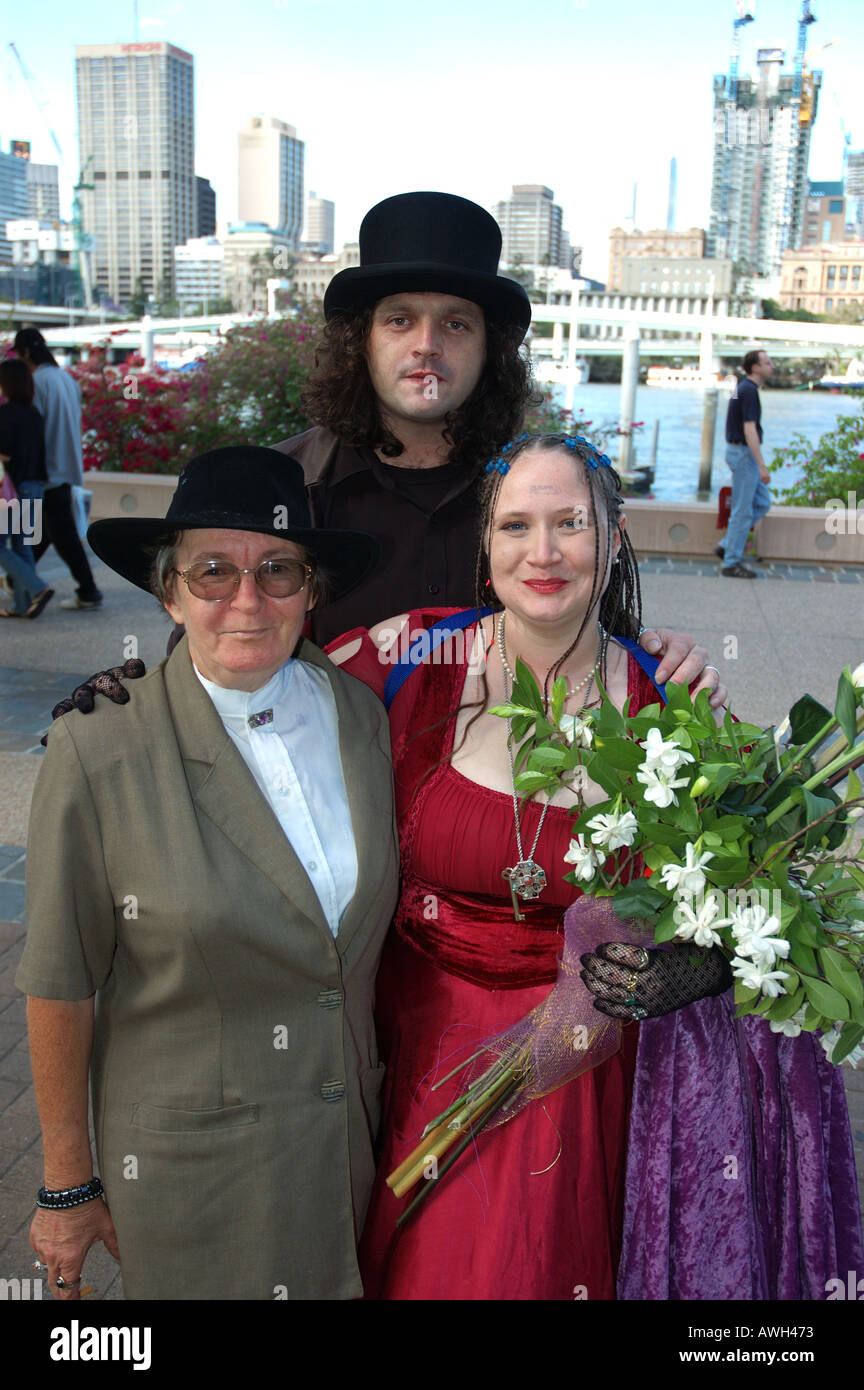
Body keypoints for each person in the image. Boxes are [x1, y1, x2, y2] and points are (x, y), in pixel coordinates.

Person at [326, 433, 862, 1300]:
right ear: (486, 546)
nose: (542, 553)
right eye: (515, 526)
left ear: (613, 541)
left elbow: (753, 899)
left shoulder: (675, 705)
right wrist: (133, 699)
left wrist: (694, 966)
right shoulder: (404, 658)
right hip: (413, 1057)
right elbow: (257, 684)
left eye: (570, 523)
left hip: (588, 1071)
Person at [15, 446, 399, 1301]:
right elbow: (58, 983)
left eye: (278, 571)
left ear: (313, 589)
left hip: (349, 1162)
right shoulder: (102, 745)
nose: (247, 600)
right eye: (213, 572)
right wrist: (67, 1185)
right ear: (170, 593)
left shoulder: (359, 718)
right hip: (196, 1182)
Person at [12, 327, 103, 610]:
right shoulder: (66, 379)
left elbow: (31, 428)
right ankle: (21, 580)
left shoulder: (36, 382)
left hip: (45, 468)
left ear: (25, 353)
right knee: (53, 529)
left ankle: (86, 591)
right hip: (67, 464)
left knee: (52, 531)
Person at [0, 358, 54, 619]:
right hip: (34, 487)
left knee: (1, 545)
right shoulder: (34, 414)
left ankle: (37, 589)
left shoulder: (5, 414)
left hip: (11, 491)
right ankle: (24, 606)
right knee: (22, 546)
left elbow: (6, 455)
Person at [717, 348, 775, 579]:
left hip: (739, 453)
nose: (772, 366)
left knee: (762, 502)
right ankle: (731, 562)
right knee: (742, 511)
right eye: (768, 362)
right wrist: (761, 465)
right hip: (743, 454)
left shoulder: (741, 388)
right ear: (755, 367)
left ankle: (726, 545)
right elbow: (748, 428)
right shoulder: (748, 391)